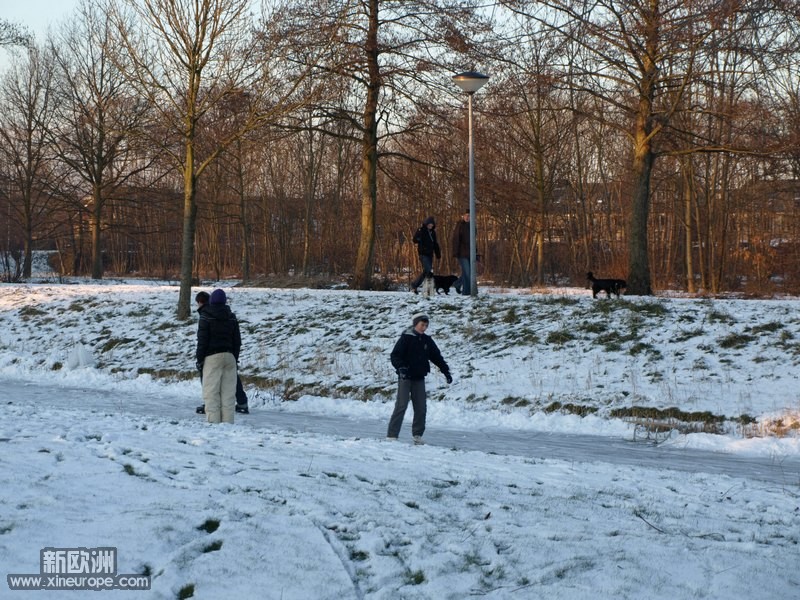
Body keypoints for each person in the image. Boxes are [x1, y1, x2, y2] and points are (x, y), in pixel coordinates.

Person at [386, 313, 452, 444]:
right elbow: (395, 355)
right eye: (422, 325)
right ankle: (392, 435)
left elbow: (437, 357)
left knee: (421, 407)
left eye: (426, 325)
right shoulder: (406, 338)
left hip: (419, 377)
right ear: (415, 324)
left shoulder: (427, 340)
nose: (424, 328)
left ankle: (417, 435)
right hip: (405, 377)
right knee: (402, 405)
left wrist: (446, 372)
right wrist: (401, 368)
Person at [194, 291, 249, 415]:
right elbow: (237, 340)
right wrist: (234, 356)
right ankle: (241, 403)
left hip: (211, 354)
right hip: (229, 353)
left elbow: (202, 340)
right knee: (231, 380)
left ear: (201, 302)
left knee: (210, 383)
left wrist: (200, 358)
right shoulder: (231, 316)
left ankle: (211, 407)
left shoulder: (206, 315)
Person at [410, 216, 441, 294]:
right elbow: (414, 239)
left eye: (432, 225)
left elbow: (435, 244)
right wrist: (419, 239)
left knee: (426, 272)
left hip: (430, 254)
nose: (430, 226)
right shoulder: (421, 230)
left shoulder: (433, 232)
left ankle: (414, 284)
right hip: (423, 254)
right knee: (429, 270)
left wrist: (438, 254)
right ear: (426, 224)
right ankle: (428, 289)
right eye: (429, 224)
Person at [451, 208, 472, 295]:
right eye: (466, 215)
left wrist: (476, 252)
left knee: (468, 272)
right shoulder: (460, 225)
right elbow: (456, 239)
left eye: (469, 216)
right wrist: (455, 252)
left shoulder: (472, 226)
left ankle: (457, 283)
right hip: (462, 253)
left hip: (470, 253)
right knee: (467, 272)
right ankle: (466, 292)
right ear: (463, 216)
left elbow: (474, 241)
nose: (467, 217)